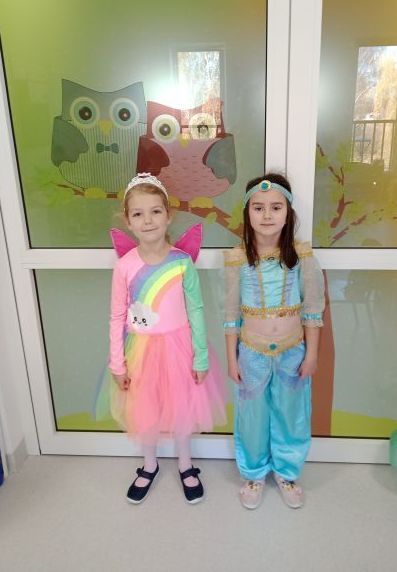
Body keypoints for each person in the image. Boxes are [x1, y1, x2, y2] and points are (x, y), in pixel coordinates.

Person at [109, 172, 226, 505]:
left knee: (182, 407)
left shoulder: (181, 262)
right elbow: (117, 316)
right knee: (144, 408)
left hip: (180, 349)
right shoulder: (125, 266)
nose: (148, 220)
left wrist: (200, 357)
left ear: (168, 215)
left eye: (155, 211)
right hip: (140, 351)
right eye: (138, 213)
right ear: (128, 221)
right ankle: (150, 464)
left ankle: (186, 464)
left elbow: (196, 311)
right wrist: (117, 363)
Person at [223, 173, 325, 509]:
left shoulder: (302, 258)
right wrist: (232, 358)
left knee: (291, 412)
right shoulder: (237, 259)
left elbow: (312, 310)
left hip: (293, 352)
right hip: (250, 352)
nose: (267, 215)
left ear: (288, 212)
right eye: (259, 207)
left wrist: (312, 355)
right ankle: (253, 473)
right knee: (252, 415)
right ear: (247, 213)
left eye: (276, 207)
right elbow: (230, 315)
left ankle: (286, 471)